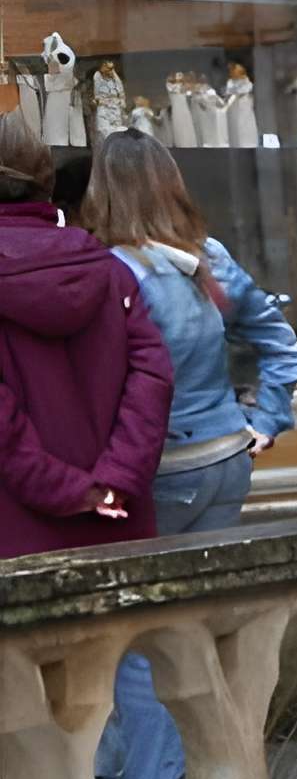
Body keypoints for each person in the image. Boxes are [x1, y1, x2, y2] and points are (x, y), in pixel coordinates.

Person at [84, 131, 297, 779]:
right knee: (195, 629)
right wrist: (264, 421)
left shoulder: (114, 273)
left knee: (136, 640)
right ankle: (201, 773)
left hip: (162, 471)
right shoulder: (209, 263)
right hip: (224, 460)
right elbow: (281, 345)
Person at [0, 113, 168, 565]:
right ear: (46, 182)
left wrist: (77, 491)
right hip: (119, 526)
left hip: (18, 547)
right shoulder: (111, 270)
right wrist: (112, 481)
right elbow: (152, 379)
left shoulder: (110, 270)